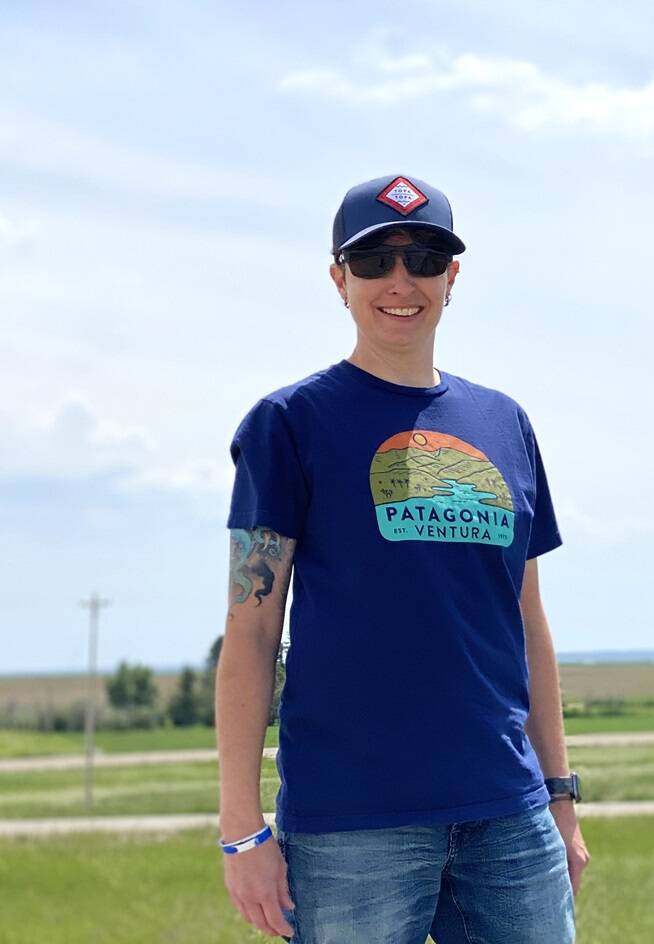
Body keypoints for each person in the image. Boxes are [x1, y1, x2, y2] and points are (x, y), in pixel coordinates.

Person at [216, 173, 589, 943]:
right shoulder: (288, 424)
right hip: (354, 824)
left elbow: (528, 623)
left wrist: (559, 795)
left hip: (510, 818)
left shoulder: (505, 423)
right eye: (373, 261)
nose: (400, 281)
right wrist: (241, 826)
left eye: (423, 258)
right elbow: (251, 632)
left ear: (452, 278)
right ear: (337, 279)